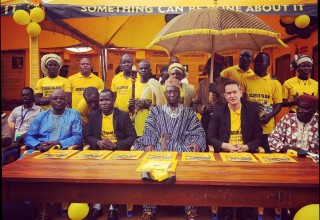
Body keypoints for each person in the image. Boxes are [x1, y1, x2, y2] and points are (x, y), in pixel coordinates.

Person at [134, 77, 206, 220]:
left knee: (189, 169)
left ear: (179, 95)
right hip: (160, 148)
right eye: (169, 92)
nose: (172, 94)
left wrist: (196, 143)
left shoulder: (188, 112)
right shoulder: (156, 111)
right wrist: (149, 143)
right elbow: (149, 129)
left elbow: (198, 130)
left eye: (175, 91)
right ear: (165, 94)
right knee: (149, 162)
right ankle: (149, 209)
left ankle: (190, 209)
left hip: (181, 149)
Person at [207, 80, 263, 220]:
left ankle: (245, 211)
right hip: (225, 154)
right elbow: (210, 137)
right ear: (225, 96)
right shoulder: (219, 111)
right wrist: (227, 146)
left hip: (246, 154)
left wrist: (246, 147)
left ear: (241, 93)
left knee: (248, 182)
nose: (232, 96)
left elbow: (259, 138)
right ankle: (226, 210)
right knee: (225, 180)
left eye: (235, 92)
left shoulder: (251, 111)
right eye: (229, 93)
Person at [85, 89, 137, 220]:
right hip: (99, 152)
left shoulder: (123, 115)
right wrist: (98, 142)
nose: (104, 103)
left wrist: (116, 145)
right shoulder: (94, 115)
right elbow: (87, 136)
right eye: (101, 100)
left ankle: (113, 207)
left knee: (116, 174)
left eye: (107, 100)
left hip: (117, 153)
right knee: (93, 174)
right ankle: (97, 206)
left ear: (113, 100)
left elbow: (133, 137)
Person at [241, 52, 282, 153]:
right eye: (256, 62)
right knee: (250, 155)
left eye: (261, 61)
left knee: (267, 155)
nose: (257, 64)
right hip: (249, 126)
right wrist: (249, 104)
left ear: (269, 64)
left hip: (267, 127)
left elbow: (278, 104)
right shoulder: (246, 80)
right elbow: (238, 99)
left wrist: (270, 115)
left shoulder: (275, 83)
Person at [128, 60, 165, 137]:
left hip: (152, 126)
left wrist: (146, 105)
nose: (143, 70)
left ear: (150, 70)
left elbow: (161, 107)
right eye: (141, 68)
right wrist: (131, 105)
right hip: (137, 126)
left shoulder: (156, 86)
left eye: (146, 68)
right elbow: (131, 110)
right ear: (138, 70)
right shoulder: (132, 87)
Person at [195, 55, 226, 136]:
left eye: (212, 65)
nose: (209, 67)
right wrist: (204, 108)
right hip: (206, 120)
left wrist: (218, 93)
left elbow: (232, 102)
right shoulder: (202, 84)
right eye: (208, 65)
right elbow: (196, 104)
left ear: (220, 68)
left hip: (223, 119)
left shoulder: (227, 83)